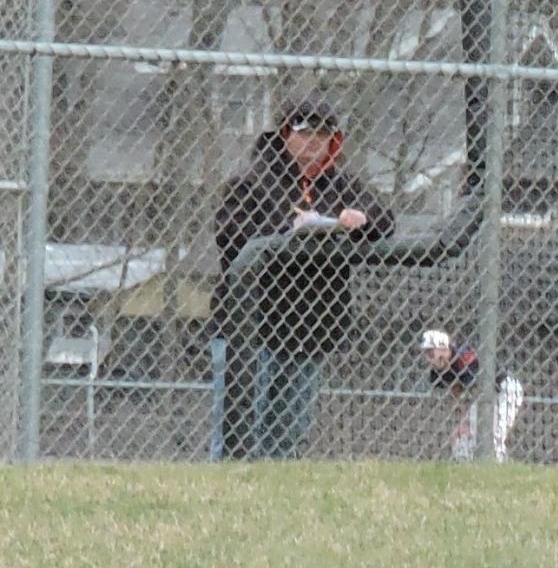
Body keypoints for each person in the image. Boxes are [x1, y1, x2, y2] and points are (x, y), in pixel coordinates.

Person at [211, 94, 394, 459]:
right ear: (284, 134)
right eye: (305, 134)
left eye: (323, 136)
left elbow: (384, 220)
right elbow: (230, 239)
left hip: (310, 325)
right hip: (253, 327)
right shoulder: (252, 181)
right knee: (239, 434)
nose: (314, 144)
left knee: (288, 438)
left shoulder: (340, 185)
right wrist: (287, 229)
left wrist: (361, 219)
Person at [419, 328, 526, 463]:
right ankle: (465, 465)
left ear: (442, 348)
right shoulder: (439, 369)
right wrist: (464, 418)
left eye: (430, 352)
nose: (428, 358)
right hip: (484, 396)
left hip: (505, 390)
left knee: (493, 433)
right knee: (461, 435)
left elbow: (477, 387)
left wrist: (468, 420)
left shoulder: (464, 357)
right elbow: (455, 388)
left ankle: (497, 467)